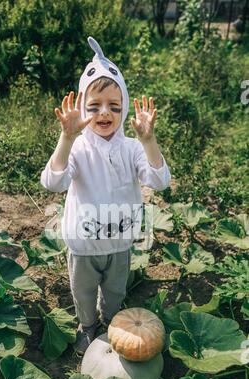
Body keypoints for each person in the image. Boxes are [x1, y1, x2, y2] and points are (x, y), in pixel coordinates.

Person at [40, 37, 171, 355]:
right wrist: (66, 137)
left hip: (120, 242)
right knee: (83, 292)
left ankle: (112, 321)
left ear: (124, 108)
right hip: (83, 245)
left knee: (115, 290)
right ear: (82, 108)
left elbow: (159, 180)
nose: (105, 113)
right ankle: (88, 327)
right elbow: (52, 182)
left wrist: (149, 140)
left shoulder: (131, 148)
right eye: (94, 106)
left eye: (115, 106)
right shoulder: (78, 148)